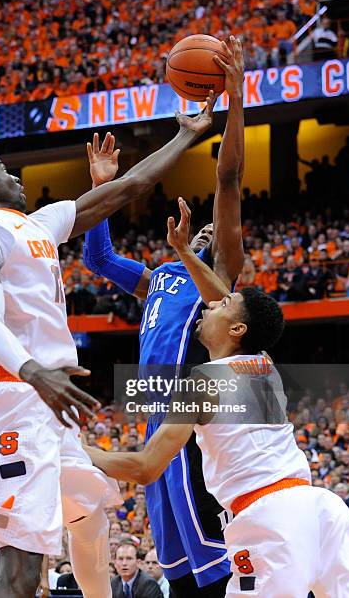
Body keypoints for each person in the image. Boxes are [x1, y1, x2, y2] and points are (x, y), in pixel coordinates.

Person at [0, 97, 215, 598]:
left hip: (53, 403)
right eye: (7, 171)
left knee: (90, 520)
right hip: (17, 395)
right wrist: (33, 371)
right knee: (23, 567)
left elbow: (130, 187)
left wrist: (185, 136)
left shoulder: (39, 224)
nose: (18, 177)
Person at [87, 200, 349, 597]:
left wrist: (77, 451)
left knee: (205, 567)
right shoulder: (262, 363)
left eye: (224, 302)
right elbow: (101, 258)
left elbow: (146, 466)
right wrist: (107, 194)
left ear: (234, 323)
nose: (216, 302)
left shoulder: (204, 374)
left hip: (266, 511)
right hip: (317, 507)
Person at [84, 37, 244, 597]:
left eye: (211, 233)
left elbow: (228, 185)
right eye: (197, 230)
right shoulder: (159, 276)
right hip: (153, 410)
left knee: (213, 566)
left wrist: (236, 101)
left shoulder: (218, 280)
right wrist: (102, 187)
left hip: (190, 408)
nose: (204, 232)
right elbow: (97, 258)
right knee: (178, 569)